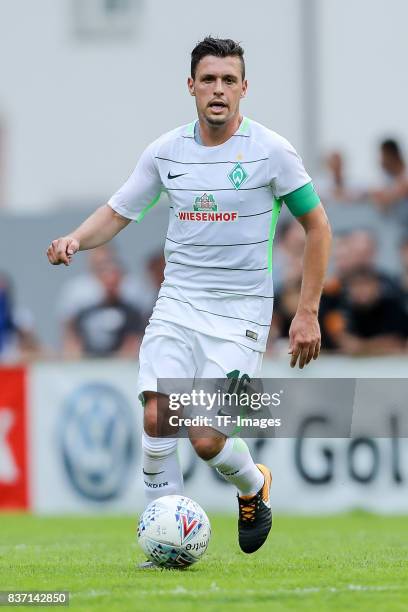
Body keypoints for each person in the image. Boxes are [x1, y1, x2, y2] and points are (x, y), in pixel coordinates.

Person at [46, 37, 331, 560]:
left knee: (202, 435)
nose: (218, 90)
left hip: (241, 311)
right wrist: (75, 239)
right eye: (208, 80)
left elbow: (318, 226)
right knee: (158, 417)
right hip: (177, 303)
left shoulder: (271, 151)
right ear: (191, 87)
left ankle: (252, 486)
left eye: (228, 80)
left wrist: (307, 312)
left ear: (244, 88)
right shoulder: (165, 151)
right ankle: (168, 543)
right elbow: (118, 211)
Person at [64, 257, 145, 358]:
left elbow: (132, 344)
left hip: (118, 368)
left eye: (114, 283)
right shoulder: (86, 312)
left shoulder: (132, 314)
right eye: (107, 281)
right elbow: (74, 341)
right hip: (88, 365)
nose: (110, 286)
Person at [370, 139, 408, 223]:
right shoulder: (386, 178)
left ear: (392, 156)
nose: (380, 160)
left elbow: (386, 198)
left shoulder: (405, 175)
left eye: (383, 156)